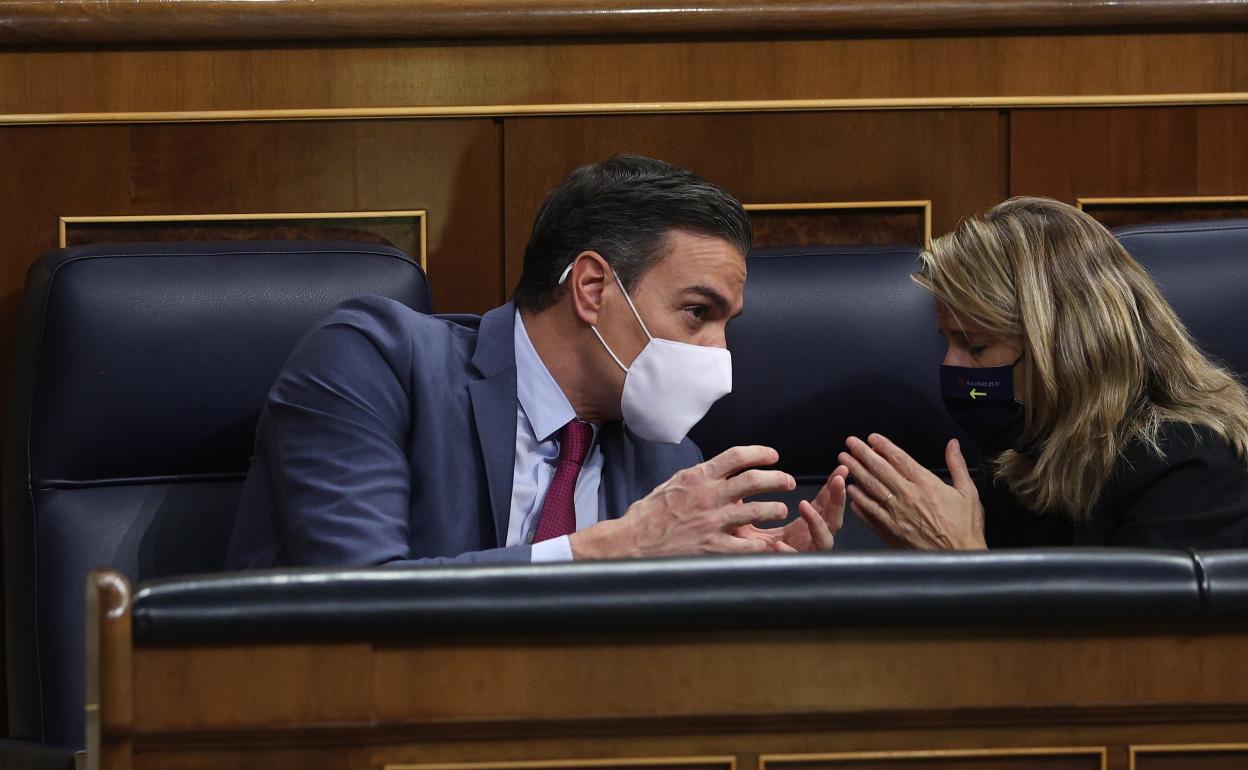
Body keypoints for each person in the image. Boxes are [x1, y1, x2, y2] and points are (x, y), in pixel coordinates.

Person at [226, 155, 845, 567]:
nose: (719, 353)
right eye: (695, 313)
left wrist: (746, 594)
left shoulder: (670, 463)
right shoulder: (376, 361)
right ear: (593, 289)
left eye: (725, 324)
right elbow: (357, 606)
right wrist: (613, 547)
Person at [838, 196, 1248, 549]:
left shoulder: (1189, 466)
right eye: (946, 341)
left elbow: (1130, 642)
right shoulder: (1024, 452)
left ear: (1063, 347)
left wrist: (960, 562)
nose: (951, 366)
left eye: (975, 346)